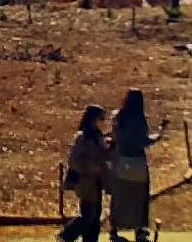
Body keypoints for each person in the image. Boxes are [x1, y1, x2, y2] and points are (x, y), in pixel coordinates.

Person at [108, 89, 164, 242]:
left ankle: (114, 228)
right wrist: (160, 133)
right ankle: (140, 230)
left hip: (120, 162)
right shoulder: (140, 120)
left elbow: (114, 137)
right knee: (140, 198)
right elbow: (144, 141)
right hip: (137, 162)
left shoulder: (118, 118)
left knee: (119, 197)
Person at [61, 105, 109, 242]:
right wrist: (93, 168)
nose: (102, 121)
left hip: (97, 182)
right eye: (100, 118)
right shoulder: (84, 136)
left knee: (95, 217)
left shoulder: (97, 135)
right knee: (88, 215)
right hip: (86, 182)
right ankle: (66, 236)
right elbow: (75, 160)